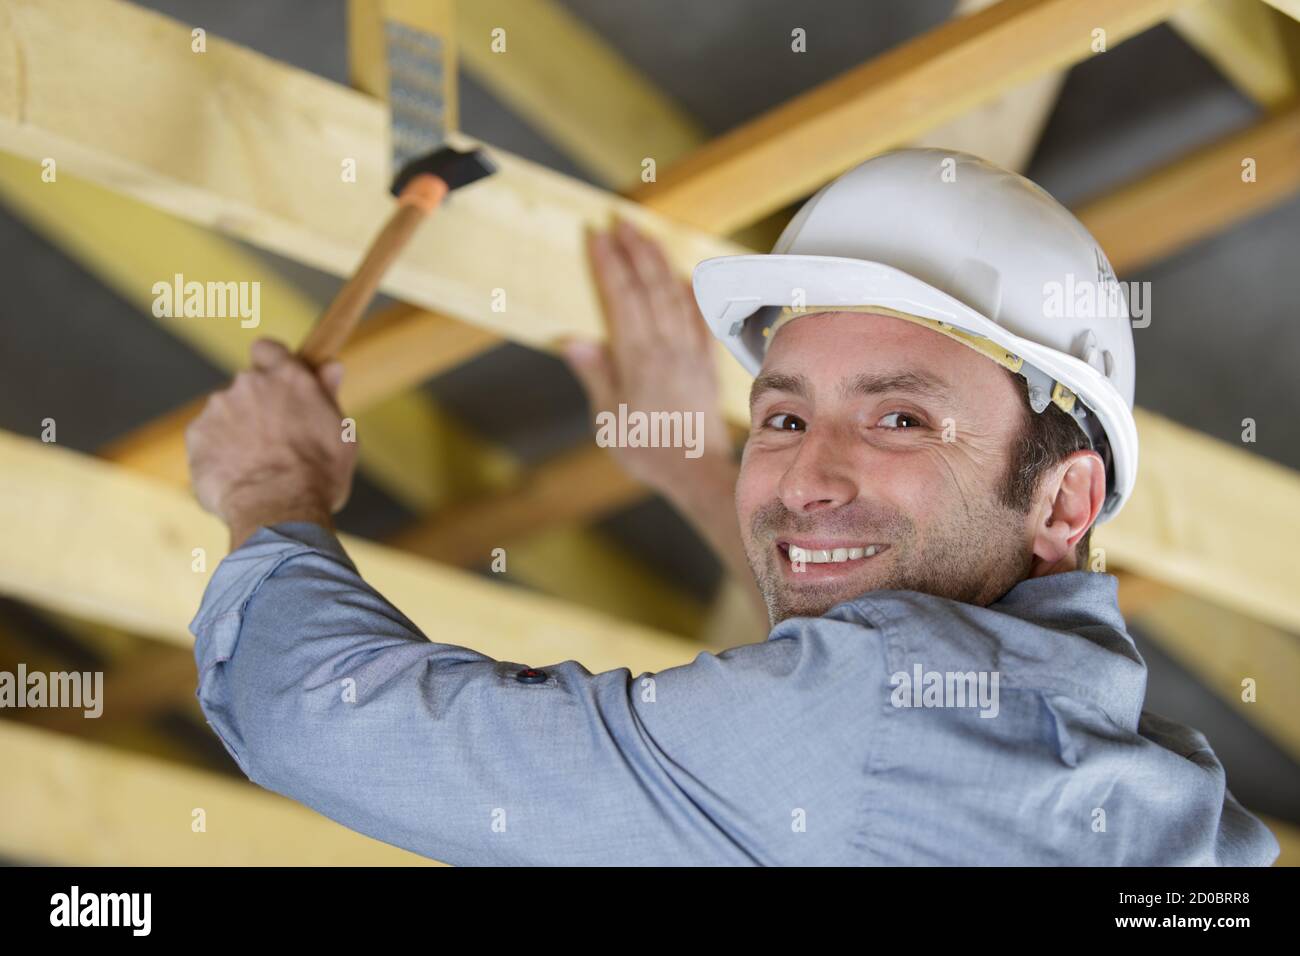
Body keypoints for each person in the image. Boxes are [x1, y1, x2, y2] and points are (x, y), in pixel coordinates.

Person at [186, 149, 1278, 865]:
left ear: (1061, 498)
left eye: (898, 419)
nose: (803, 478)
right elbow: (876, 711)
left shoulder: (868, 724)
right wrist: (689, 464)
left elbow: (317, 718)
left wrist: (270, 487)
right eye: (784, 419)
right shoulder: (1177, 804)